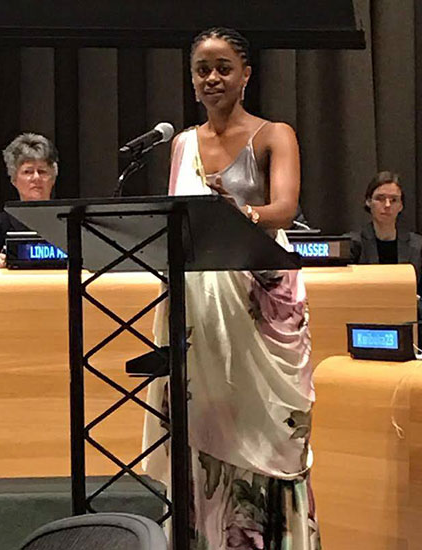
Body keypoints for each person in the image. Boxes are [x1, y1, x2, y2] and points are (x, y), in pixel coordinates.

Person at [143, 27, 320, 549]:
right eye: (203, 69)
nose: (212, 78)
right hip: (197, 301)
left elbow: (284, 208)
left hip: (260, 298)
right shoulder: (180, 144)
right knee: (203, 423)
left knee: (270, 432)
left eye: (223, 67)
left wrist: (239, 213)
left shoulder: (273, 134)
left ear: (246, 75)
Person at [347, 171, 422, 347]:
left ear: (401, 206)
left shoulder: (418, 245)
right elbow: (347, 298)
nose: (387, 205)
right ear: (368, 202)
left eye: (394, 200)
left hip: (411, 332)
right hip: (367, 332)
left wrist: (400, 307)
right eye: (380, 198)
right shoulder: (353, 244)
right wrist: (401, 302)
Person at [0, 133, 58, 267]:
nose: (36, 178)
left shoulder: (71, 223)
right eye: (28, 172)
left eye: (42, 171)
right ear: (14, 179)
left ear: (53, 178)